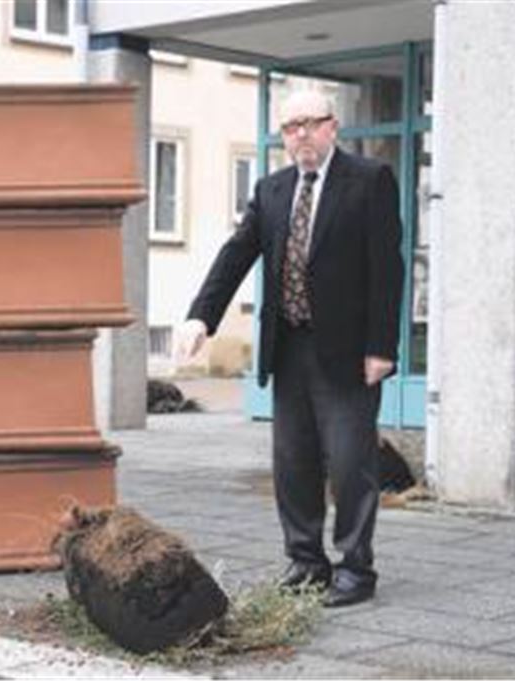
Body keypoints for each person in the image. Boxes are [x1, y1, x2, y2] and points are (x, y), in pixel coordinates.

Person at [175, 90, 403, 607]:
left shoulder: (369, 182)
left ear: (332, 127)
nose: (300, 134)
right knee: (293, 463)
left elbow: (388, 271)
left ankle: (355, 570)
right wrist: (200, 316)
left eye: (310, 123)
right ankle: (306, 561)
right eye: (290, 127)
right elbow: (237, 254)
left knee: (349, 463)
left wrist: (381, 348)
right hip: (289, 348)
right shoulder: (272, 189)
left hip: (349, 352)